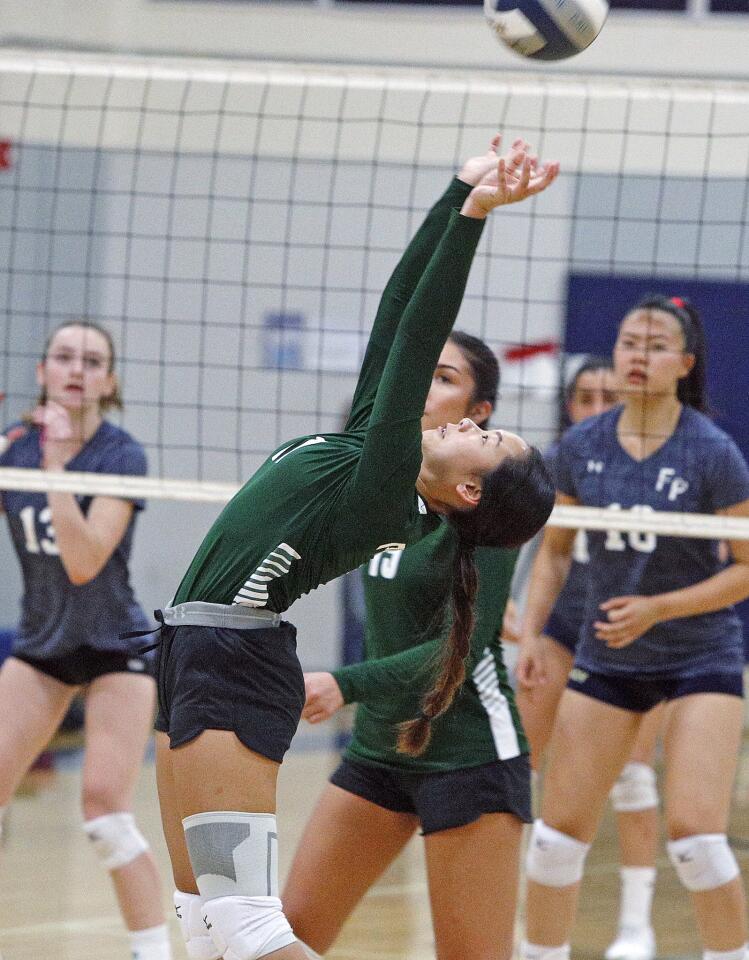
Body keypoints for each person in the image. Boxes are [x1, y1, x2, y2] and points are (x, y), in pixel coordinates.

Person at [152, 136, 559, 960]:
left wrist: (475, 221)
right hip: (193, 649)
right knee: (202, 922)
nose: (467, 421)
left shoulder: (386, 495)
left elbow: (416, 340)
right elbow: (393, 320)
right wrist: (454, 192)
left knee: (249, 925)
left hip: (235, 661)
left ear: (470, 491)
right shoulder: (369, 449)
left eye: (487, 436)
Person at [516, 295, 749, 960]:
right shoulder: (580, 447)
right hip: (609, 656)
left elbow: (744, 568)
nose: (635, 355)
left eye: (652, 345)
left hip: (698, 653)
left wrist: (659, 608)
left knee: (698, 843)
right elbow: (555, 551)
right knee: (556, 843)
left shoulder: (711, 451)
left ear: (683, 363)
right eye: (626, 342)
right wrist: (533, 634)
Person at [282, 330, 527, 960]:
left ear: (479, 416)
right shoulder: (385, 491)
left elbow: (458, 652)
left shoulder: (487, 509)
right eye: (422, 369)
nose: (422, 386)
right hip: (382, 748)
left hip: (469, 755)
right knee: (290, 935)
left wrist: (346, 682)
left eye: (444, 378)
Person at [0, 322, 172, 960]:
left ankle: (151, 952)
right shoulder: (13, 449)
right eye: (64, 357)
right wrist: (26, 451)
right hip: (43, 642)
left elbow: (83, 560)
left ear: (110, 381)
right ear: (43, 371)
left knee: (104, 811)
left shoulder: (120, 456)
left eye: (92, 360)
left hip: (114, 647)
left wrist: (53, 465)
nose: (77, 369)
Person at [509, 357, 663, 960]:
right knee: (521, 767)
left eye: (609, 396)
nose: (597, 407)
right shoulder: (554, 461)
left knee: (632, 775)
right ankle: (526, 915)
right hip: (562, 624)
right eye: (585, 397)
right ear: (569, 404)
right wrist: (506, 609)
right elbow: (519, 545)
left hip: (632, 631)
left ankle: (635, 925)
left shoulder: (654, 460)